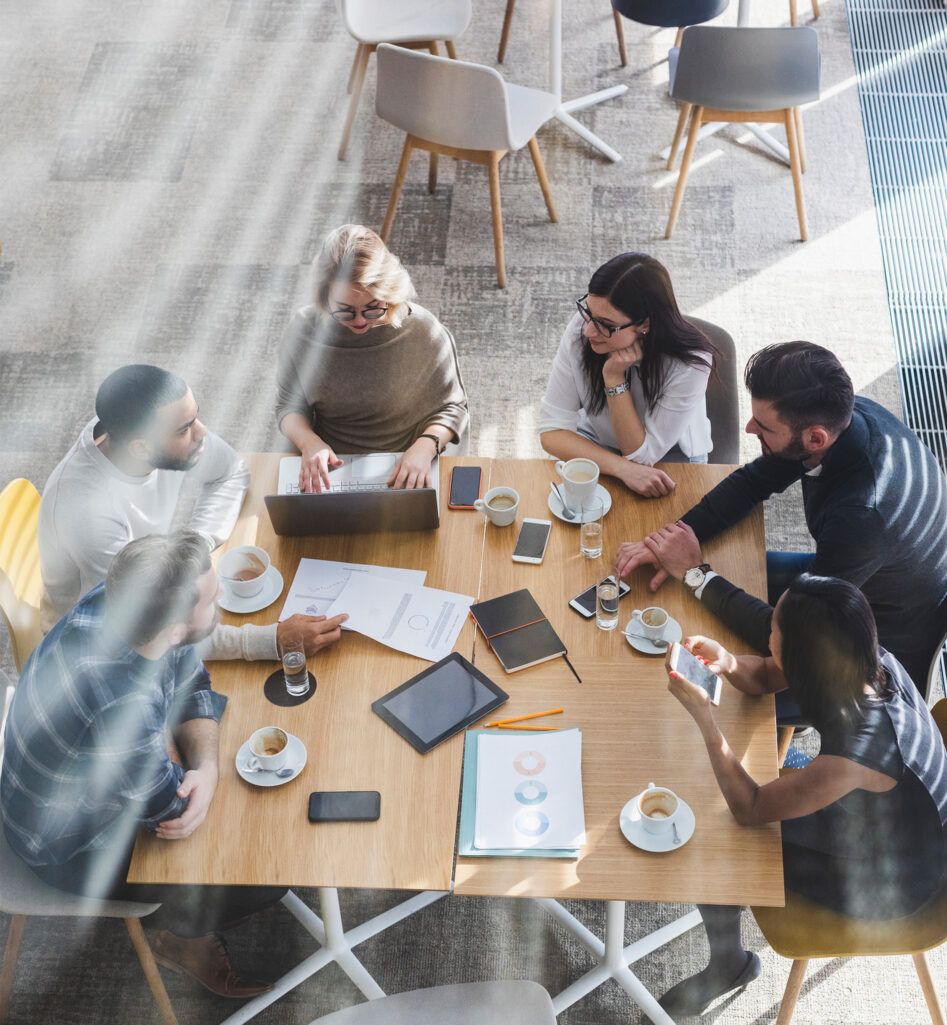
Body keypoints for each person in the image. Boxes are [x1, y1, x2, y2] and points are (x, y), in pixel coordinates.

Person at [2, 533, 288, 998]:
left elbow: (190, 674)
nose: (220, 599)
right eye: (212, 599)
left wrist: (206, 770)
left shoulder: (124, 597)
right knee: (265, 881)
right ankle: (176, 938)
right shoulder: (123, 707)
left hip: (85, 781)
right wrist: (194, 775)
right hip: (65, 847)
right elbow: (173, 812)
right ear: (174, 627)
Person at [656, 574, 947, 1018]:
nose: (768, 636)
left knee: (716, 837)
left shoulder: (863, 748)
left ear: (806, 659)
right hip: (881, 820)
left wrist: (704, 717)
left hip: (894, 879)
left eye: (775, 634)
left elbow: (750, 807)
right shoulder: (865, 660)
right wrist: (729, 663)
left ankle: (728, 965)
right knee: (741, 785)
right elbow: (770, 673)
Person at [616, 341, 947, 694]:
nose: (747, 429)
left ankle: (771, 739)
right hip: (855, 571)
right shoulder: (846, 417)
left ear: (815, 438)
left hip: (874, 639)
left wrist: (695, 573)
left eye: (763, 426)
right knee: (712, 586)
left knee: (733, 698)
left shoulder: (862, 517)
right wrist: (671, 542)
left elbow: (790, 637)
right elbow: (752, 482)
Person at [39, 363, 346, 661]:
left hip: (156, 584)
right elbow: (145, 628)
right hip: (93, 644)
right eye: (185, 429)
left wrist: (192, 548)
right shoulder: (89, 513)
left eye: (195, 417)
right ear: (141, 449)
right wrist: (272, 641)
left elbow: (231, 471)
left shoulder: (142, 433)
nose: (202, 432)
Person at [276, 223, 469, 493]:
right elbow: (289, 404)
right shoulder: (303, 331)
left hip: (408, 462)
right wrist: (310, 443)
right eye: (344, 311)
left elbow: (454, 408)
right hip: (332, 467)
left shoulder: (423, 331)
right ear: (324, 296)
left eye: (373, 308)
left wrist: (424, 449)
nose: (359, 322)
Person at [539, 252, 715, 499]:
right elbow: (551, 432)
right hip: (597, 441)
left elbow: (643, 457)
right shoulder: (581, 330)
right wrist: (622, 469)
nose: (589, 330)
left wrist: (614, 379)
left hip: (672, 455)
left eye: (605, 324)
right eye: (588, 311)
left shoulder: (690, 364)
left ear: (645, 324)